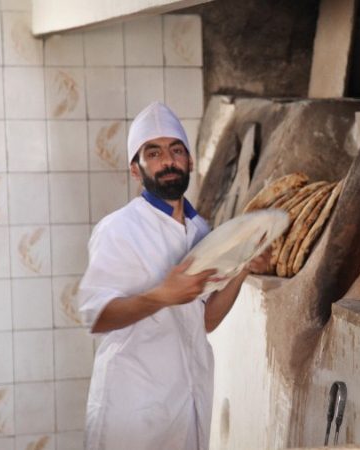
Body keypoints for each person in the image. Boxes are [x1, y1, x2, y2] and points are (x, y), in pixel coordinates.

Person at [78, 102, 260, 450]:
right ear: (136, 169)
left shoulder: (199, 229)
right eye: (154, 152)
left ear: (190, 162)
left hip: (187, 405)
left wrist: (243, 269)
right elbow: (95, 316)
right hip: (132, 412)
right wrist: (161, 295)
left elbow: (204, 319)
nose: (168, 161)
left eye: (176, 150)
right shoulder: (118, 230)